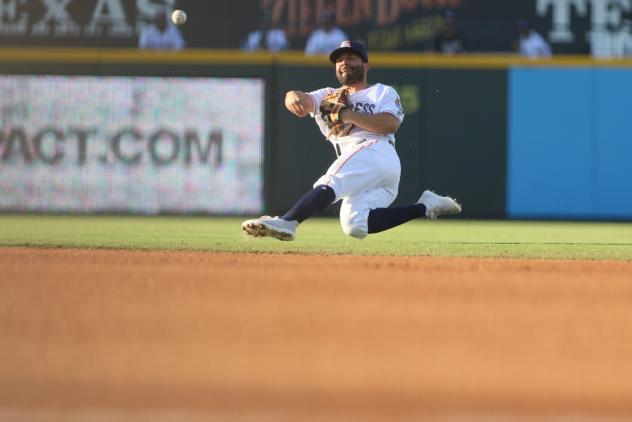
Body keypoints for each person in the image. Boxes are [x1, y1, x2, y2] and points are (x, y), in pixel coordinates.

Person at [242, 40, 461, 241]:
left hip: (377, 151)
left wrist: (347, 115)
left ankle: (288, 221)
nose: (344, 63)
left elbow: (390, 124)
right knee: (355, 225)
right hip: (367, 170)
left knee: (332, 181)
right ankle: (425, 206)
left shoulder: (381, 92)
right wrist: (293, 97)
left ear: (366, 66)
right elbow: (300, 97)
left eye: (351, 58)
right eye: (339, 60)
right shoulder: (329, 96)